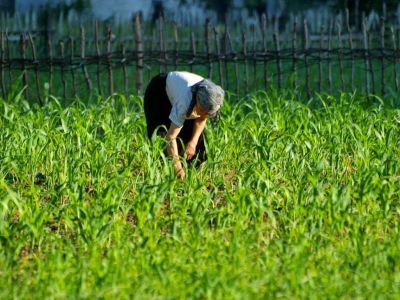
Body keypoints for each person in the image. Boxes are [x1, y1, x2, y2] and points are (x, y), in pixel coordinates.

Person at [144, 71, 224, 179]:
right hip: (159, 93)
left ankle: (193, 173)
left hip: (180, 91)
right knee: (162, 137)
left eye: (208, 113)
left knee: (195, 141)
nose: (205, 115)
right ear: (197, 101)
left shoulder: (212, 97)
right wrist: (177, 167)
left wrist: (193, 142)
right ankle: (163, 175)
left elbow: (202, 118)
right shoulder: (185, 100)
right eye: (203, 110)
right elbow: (170, 137)